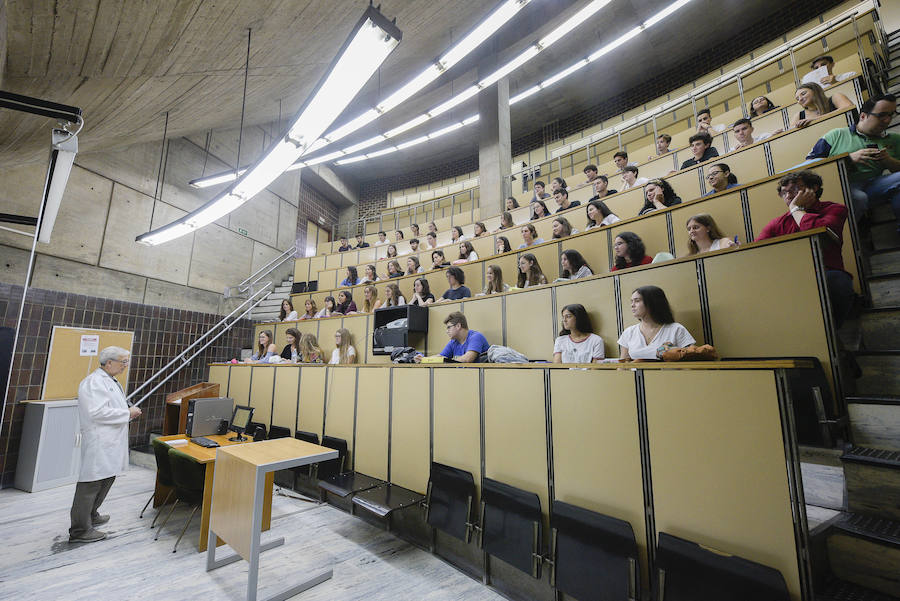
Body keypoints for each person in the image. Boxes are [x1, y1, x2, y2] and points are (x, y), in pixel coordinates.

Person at [755, 170, 854, 326]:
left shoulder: (835, 209)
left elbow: (815, 230)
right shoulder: (777, 223)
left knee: (838, 282)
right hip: (790, 275)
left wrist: (795, 208)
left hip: (826, 272)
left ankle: (833, 332)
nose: (787, 196)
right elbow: (758, 252)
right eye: (783, 193)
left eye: (793, 190)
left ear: (813, 188)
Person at [68, 346, 141, 543]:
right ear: (109, 363)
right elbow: (96, 413)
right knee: (90, 484)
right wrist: (128, 413)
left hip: (110, 441)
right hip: (99, 441)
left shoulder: (110, 380)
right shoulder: (94, 382)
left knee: (107, 478)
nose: (126, 365)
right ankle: (79, 530)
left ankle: (92, 514)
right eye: (123, 362)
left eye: (127, 361)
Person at [806, 94, 900, 231]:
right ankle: (843, 234)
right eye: (882, 115)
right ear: (863, 116)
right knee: (859, 198)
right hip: (843, 186)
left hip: (875, 185)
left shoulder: (894, 139)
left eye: (891, 115)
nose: (887, 120)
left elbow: (896, 169)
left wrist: (888, 161)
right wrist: (848, 160)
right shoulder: (836, 135)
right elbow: (810, 165)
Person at [618, 286, 696, 360]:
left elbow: (692, 363)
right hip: (637, 374)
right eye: (631, 301)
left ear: (652, 303)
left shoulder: (676, 329)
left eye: (637, 301)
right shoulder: (629, 332)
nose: (632, 305)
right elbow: (623, 366)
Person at [414, 311, 489, 363]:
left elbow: (467, 359)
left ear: (458, 326)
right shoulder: (453, 341)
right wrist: (423, 359)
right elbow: (441, 357)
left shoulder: (476, 337)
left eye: (449, 327)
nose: (447, 331)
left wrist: (448, 360)